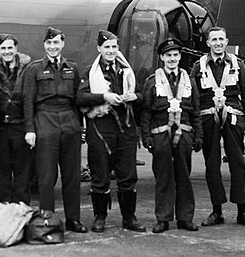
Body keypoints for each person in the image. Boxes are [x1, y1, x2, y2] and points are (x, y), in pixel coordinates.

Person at [76, 30, 145, 233]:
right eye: (107, 47)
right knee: (100, 175)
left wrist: (135, 98)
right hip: (101, 129)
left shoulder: (127, 71)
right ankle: (100, 217)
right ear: (99, 48)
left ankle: (129, 218)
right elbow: (80, 98)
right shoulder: (91, 72)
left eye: (114, 47)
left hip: (126, 129)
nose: (111, 51)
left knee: (128, 175)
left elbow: (142, 96)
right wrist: (104, 96)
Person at [190, 26, 245, 227]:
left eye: (221, 39)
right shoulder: (198, 66)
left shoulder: (238, 65)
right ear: (208, 43)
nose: (218, 43)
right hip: (207, 118)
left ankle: (242, 211)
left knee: (238, 163)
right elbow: (192, 97)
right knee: (212, 165)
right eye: (214, 40)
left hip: (234, 118)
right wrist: (194, 125)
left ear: (226, 42)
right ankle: (216, 211)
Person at [22, 27, 87, 233]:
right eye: (49, 43)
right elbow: (28, 101)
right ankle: (47, 219)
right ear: (44, 45)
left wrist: (78, 125)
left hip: (69, 123)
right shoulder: (34, 69)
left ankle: (73, 219)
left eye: (56, 43)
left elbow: (78, 99)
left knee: (72, 175)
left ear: (62, 44)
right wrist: (30, 129)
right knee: (47, 176)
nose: (52, 47)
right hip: (45, 120)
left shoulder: (72, 68)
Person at [140, 36, 203, 233]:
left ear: (180, 57)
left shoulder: (190, 82)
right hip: (160, 135)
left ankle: (185, 218)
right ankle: (163, 218)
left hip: (184, 134)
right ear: (161, 57)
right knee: (163, 177)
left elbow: (195, 112)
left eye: (175, 55)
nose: (172, 58)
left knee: (184, 176)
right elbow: (146, 113)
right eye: (168, 55)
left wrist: (198, 136)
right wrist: (147, 138)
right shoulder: (152, 82)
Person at [0, 33, 33, 204]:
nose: (7, 51)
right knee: (2, 170)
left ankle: (22, 207)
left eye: (10, 48)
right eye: (3, 48)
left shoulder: (28, 69)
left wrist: (31, 128)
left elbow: (31, 100)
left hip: (20, 126)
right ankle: (4, 206)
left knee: (22, 172)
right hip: (0, 128)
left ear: (16, 49)